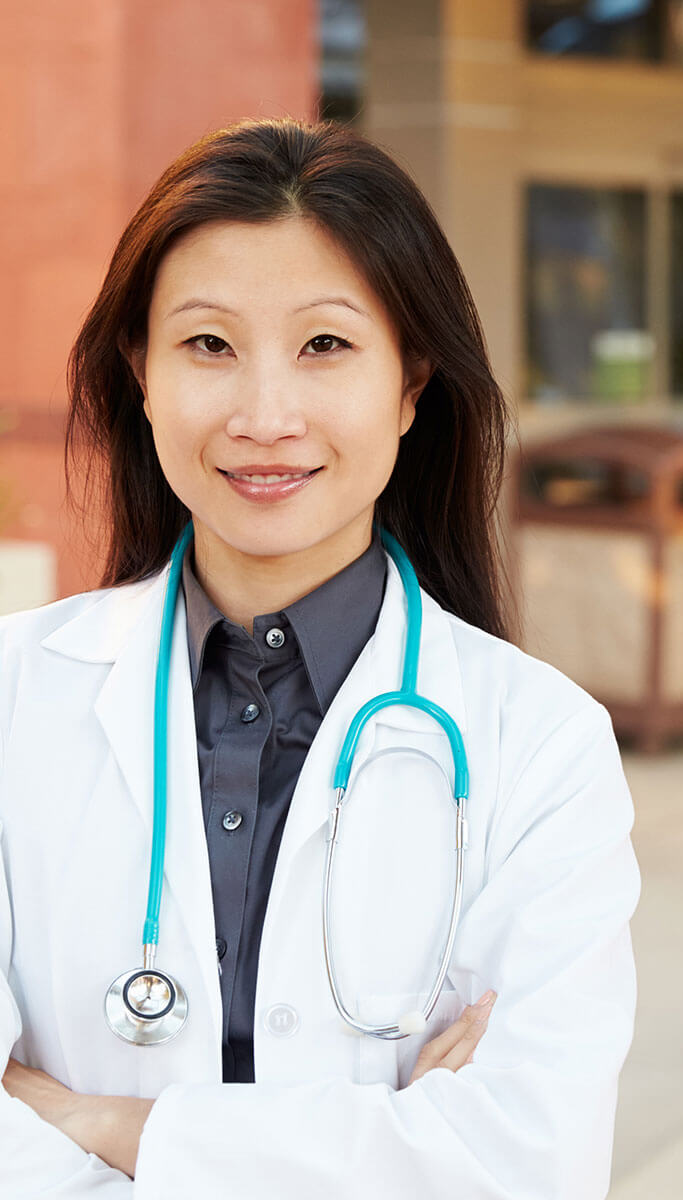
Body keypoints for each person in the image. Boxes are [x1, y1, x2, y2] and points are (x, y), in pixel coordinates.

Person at [0, 116, 640, 1198]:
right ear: (140, 374)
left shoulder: (539, 746)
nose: (264, 414)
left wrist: (102, 1121)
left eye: (325, 346)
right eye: (207, 345)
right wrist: (390, 1140)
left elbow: (528, 1163)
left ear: (409, 384)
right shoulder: (14, 696)